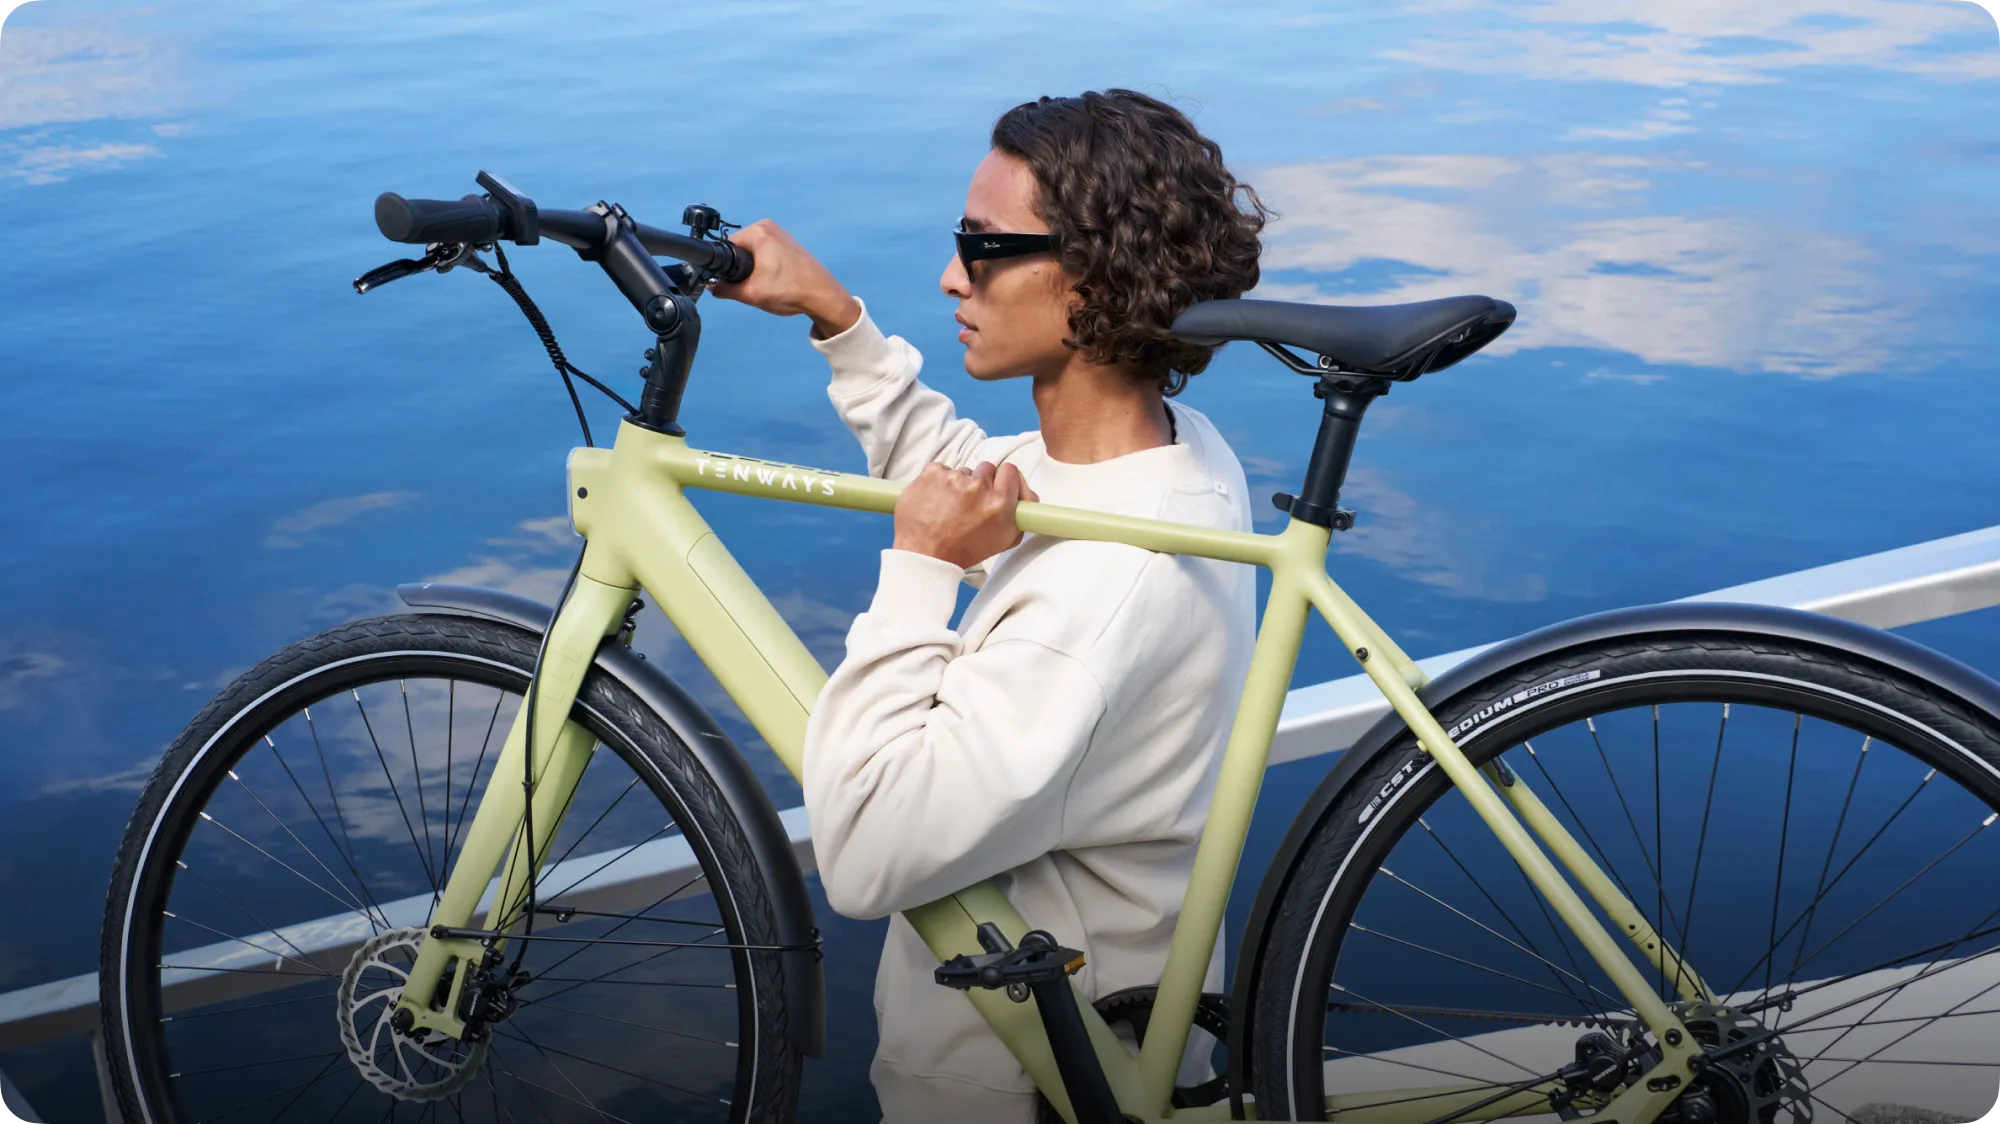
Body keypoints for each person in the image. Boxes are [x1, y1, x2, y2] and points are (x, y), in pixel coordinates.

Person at [714, 89, 1268, 1123]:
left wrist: (919, 568)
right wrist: (839, 322)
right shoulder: (1166, 456)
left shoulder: (1105, 589)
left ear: (1092, 279)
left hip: (1022, 1084)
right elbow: (986, 479)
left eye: (982, 246)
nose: (948, 275)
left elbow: (867, 847)